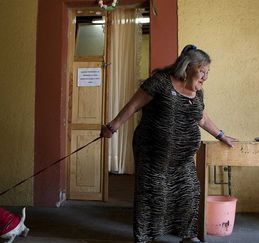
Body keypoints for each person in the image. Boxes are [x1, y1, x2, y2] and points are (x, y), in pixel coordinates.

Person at [100, 44, 237, 243]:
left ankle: (187, 235)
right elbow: (133, 106)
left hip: (183, 159)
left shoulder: (197, 92)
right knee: (152, 194)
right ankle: (146, 237)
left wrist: (221, 135)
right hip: (152, 154)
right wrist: (112, 127)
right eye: (203, 71)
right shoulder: (160, 82)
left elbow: (203, 119)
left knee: (189, 192)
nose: (206, 76)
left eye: (208, 72)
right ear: (188, 67)